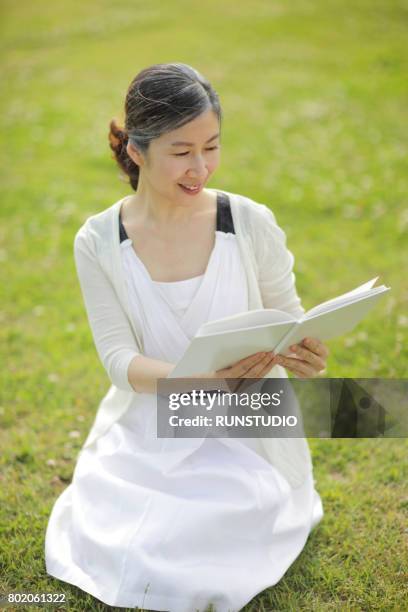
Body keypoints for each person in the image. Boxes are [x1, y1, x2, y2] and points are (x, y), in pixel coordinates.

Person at [44, 62, 329, 612]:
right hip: (152, 421)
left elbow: (289, 316)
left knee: (218, 524)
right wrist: (191, 380)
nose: (201, 167)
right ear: (136, 150)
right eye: (182, 152)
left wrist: (305, 356)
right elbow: (117, 359)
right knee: (140, 540)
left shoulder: (248, 222)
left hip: (246, 427)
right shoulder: (99, 240)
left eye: (212, 147)